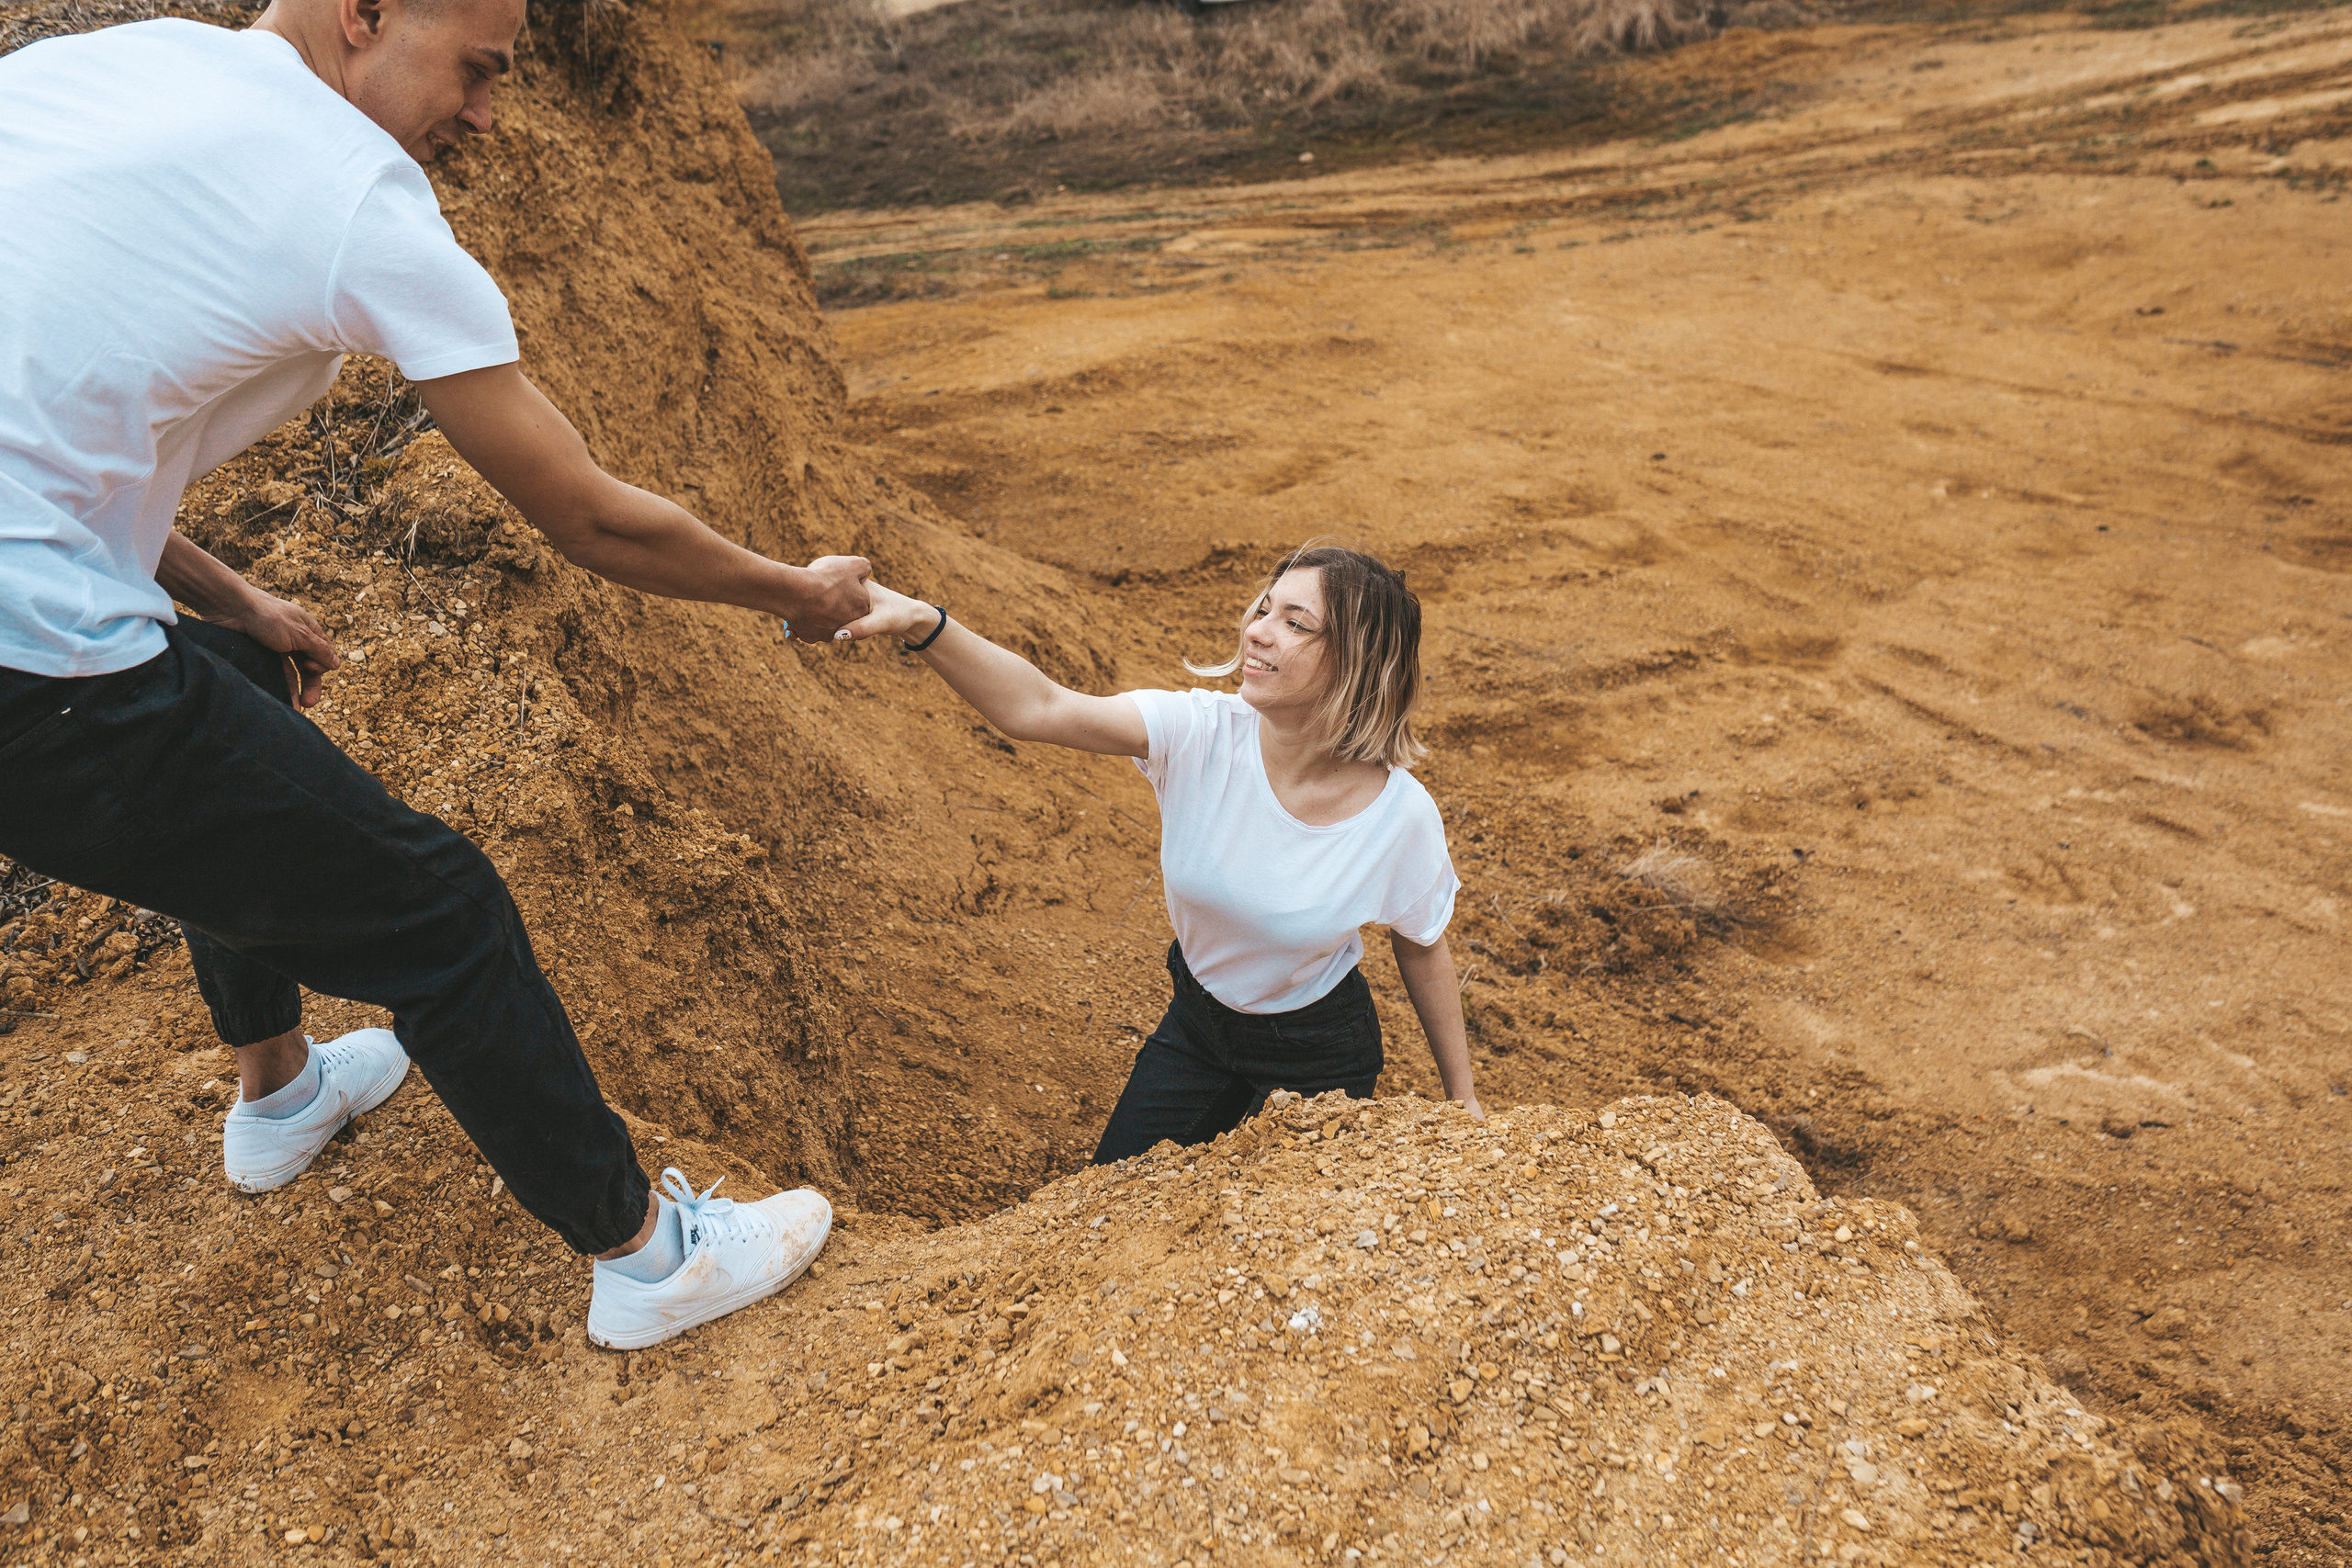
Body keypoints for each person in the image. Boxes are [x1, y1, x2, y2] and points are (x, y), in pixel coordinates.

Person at [0, 0, 866, 1348]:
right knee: (442, 912)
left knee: (234, 671)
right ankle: (647, 1258)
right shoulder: (358, 200)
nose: (485, 112)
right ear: (365, 14)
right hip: (29, 675)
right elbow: (585, 515)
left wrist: (233, 596)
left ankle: (280, 1098)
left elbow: (45, 413)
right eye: (477, 69)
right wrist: (792, 592)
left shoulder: (107, 73)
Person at [843, 544, 1482, 1158]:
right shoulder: (1198, 732)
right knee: (1109, 1203)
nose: (1258, 631)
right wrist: (921, 621)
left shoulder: (1399, 815)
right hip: (1199, 1027)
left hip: (1320, 1051)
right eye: (1264, 609)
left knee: (1272, 1243)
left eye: (1296, 623)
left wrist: (1464, 1099)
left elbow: (1421, 943)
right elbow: (1037, 706)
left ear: (1358, 661)